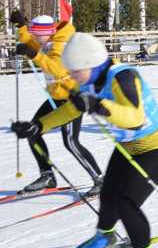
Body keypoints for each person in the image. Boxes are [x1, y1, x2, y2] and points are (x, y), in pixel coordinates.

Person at [12, 33, 158, 248]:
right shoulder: (89, 80)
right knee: (109, 193)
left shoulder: (123, 77)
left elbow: (133, 117)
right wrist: (38, 126)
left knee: (127, 203)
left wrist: (98, 104)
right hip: (127, 146)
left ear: (91, 64)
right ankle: (105, 236)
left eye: (76, 71)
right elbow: (72, 108)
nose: (73, 76)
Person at [10, 10, 103, 195]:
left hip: (72, 99)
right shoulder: (46, 40)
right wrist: (21, 27)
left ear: (49, 32)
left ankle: (99, 179)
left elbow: (57, 68)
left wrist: (33, 54)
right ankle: (47, 176)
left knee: (71, 142)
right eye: (34, 33)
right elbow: (31, 44)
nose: (35, 37)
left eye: (38, 34)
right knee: (33, 130)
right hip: (55, 97)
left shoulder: (62, 45)